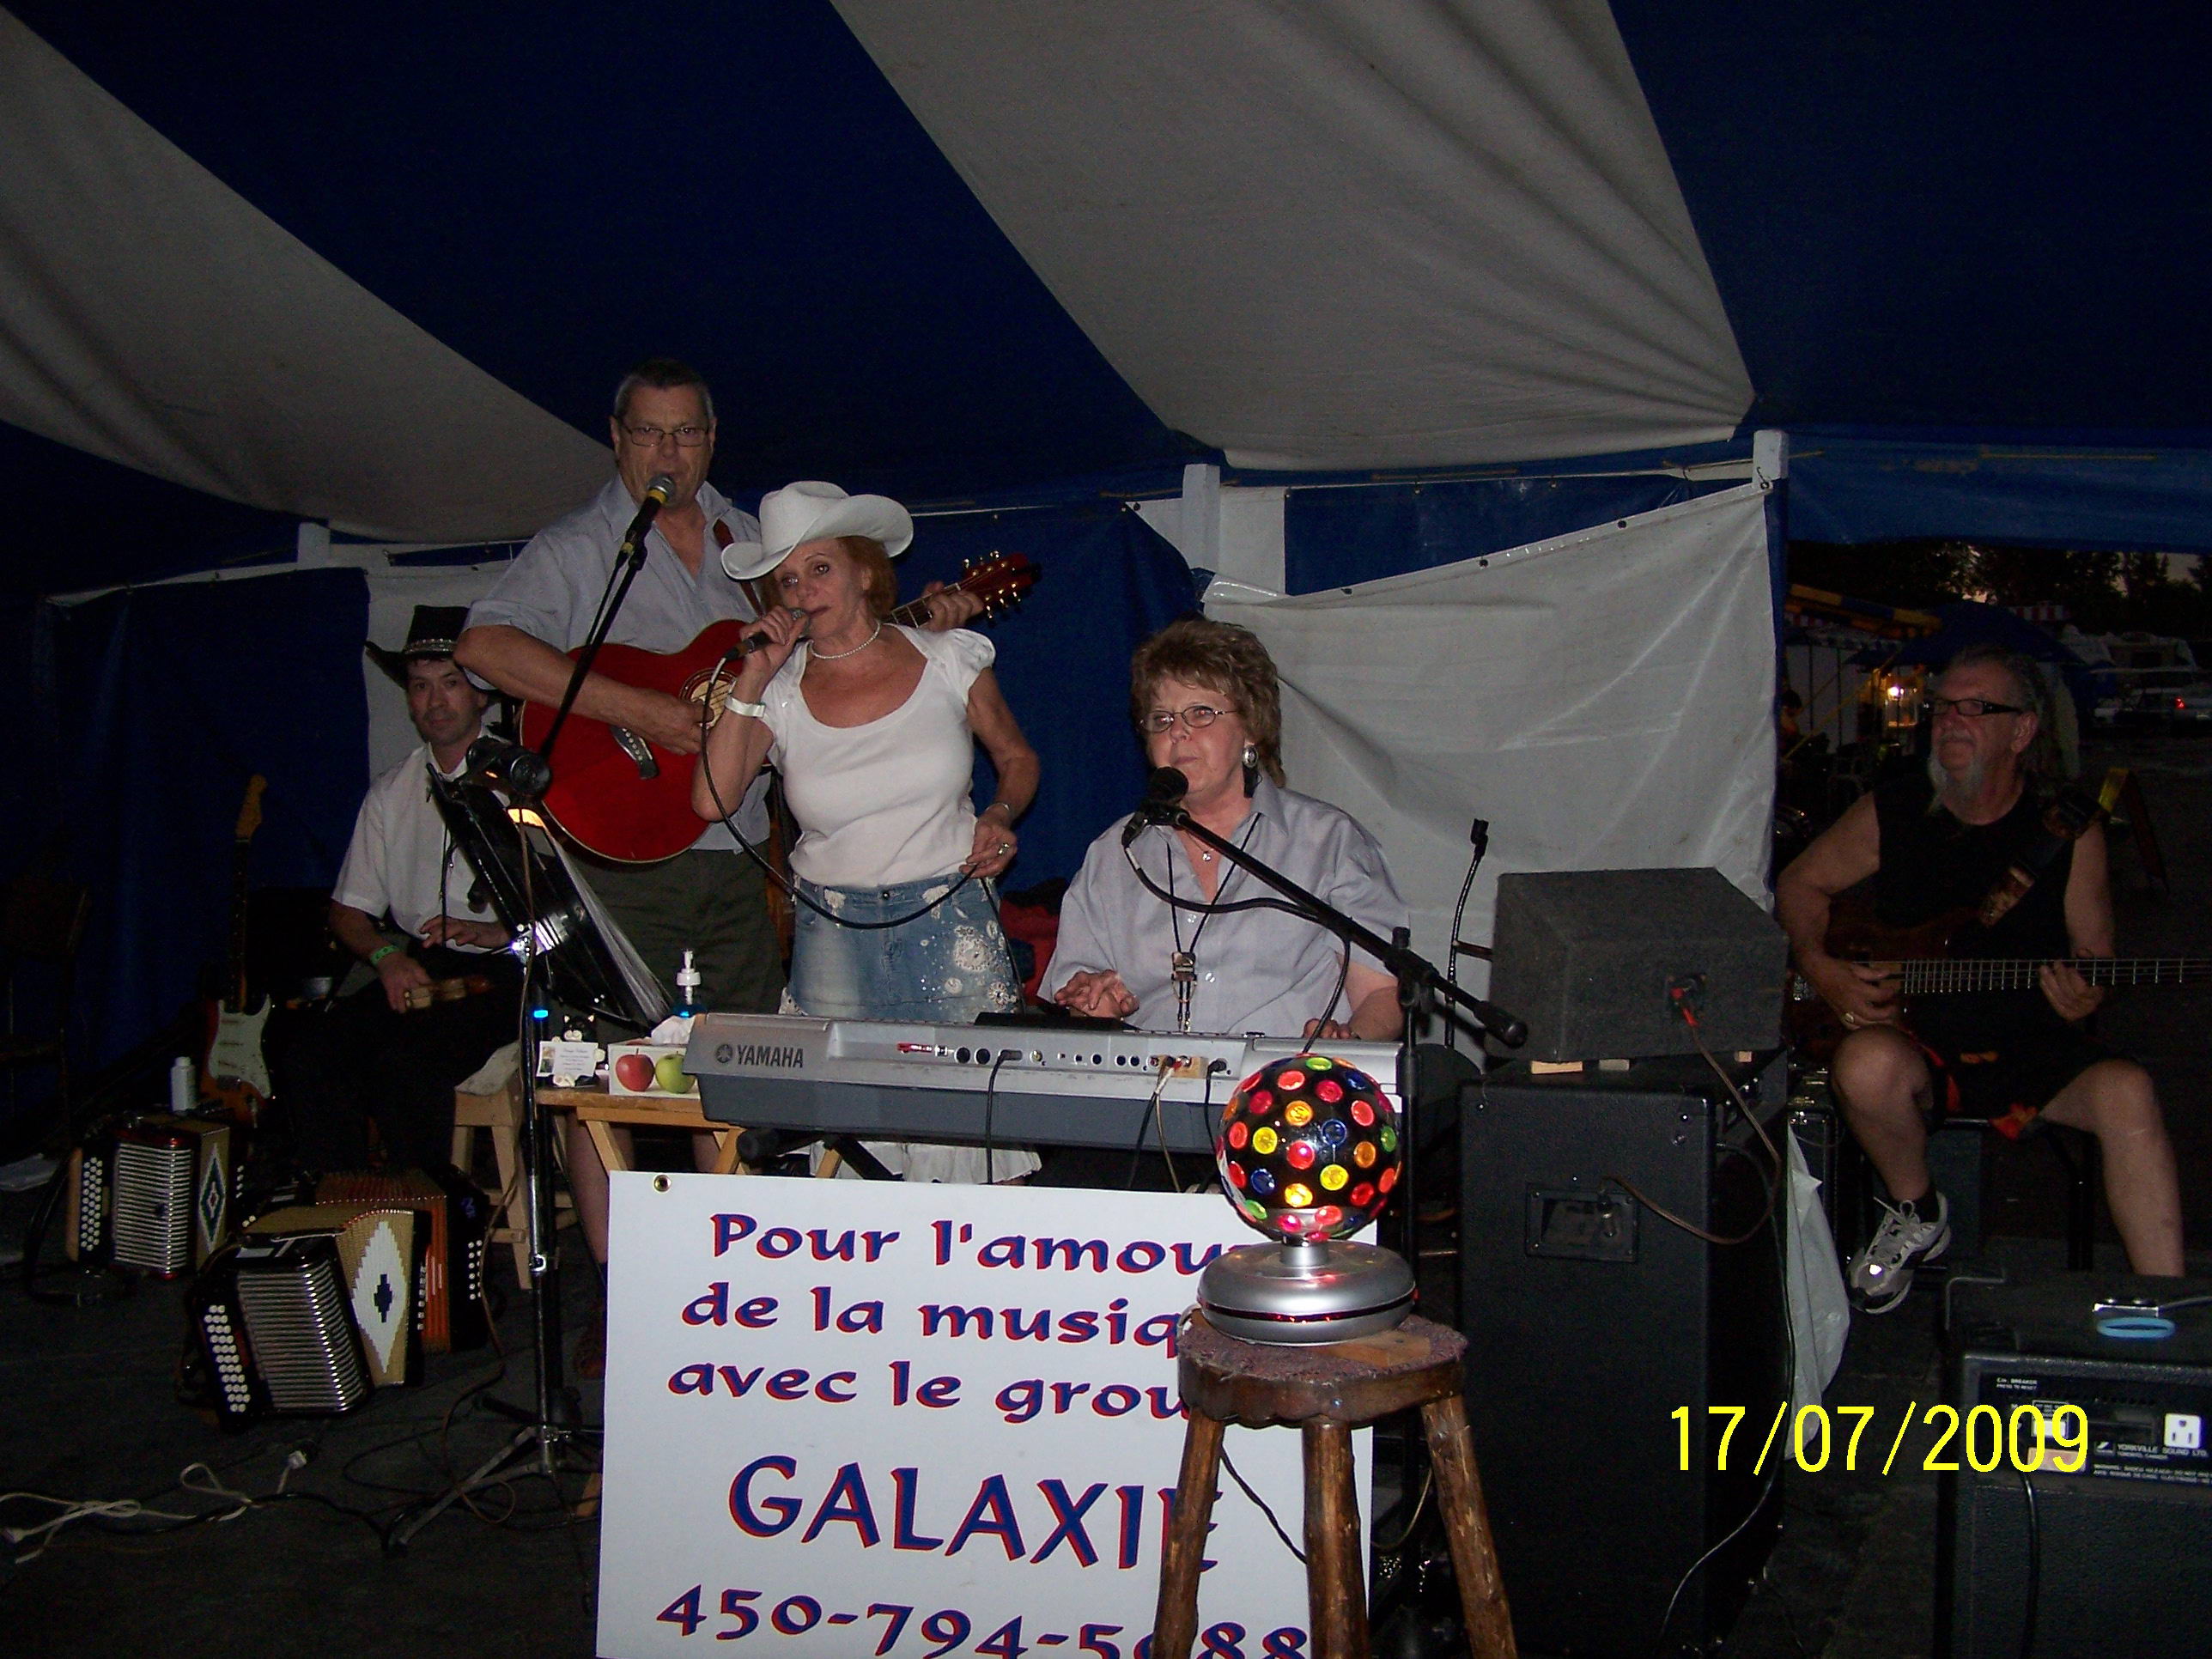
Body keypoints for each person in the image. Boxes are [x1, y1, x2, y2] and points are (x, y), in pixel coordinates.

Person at [1777, 643, 2184, 1311]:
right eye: (1942, 707)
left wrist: (2087, 992)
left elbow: (2095, 957)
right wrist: (1823, 970)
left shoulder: (2069, 831)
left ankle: (2167, 1313)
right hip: (1921, 1044)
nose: (1950, 721)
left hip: (2031, 1047)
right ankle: (1917, 1209)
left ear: (2022, 731)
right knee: (1864, 1065)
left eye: (1975, 708)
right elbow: (1799, 884)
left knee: (2129, 1091)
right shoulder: (1893, 809)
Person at [693, 482, 1039, 1182]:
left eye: (820, 568)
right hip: (833, 930)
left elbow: (1017, 758)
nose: (804, 590)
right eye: (788, 579)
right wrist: (753, 677)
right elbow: (712, 799)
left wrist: (1000, 814)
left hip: (949, 912)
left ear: (864, 572)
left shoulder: (947, 657)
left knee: (968, 1128)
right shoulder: (778, 693)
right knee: (844, 1140)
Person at [1049, 617, 1408, 1042]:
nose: (1177, 732)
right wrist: (1092, 1005)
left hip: (1284, 1078)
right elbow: (1078, 997)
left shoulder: (1327, 841)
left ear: (1251, 728)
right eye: (1161, 719)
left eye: (1200, 713)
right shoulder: (1117, 852)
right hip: (1151, 1081)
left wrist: (1343, 1050)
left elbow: (1381, 995)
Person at [287, 607, 519, 1173]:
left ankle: (428, 1210)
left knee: (404, 1064)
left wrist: (496, 931)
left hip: (509, 971)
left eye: (450, 683)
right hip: (418, 968)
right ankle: (349, 1209)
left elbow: (572, 915)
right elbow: (347, 912)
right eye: (420, 686)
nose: (435, 701)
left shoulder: (522, 781)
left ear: (481, 695)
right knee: (308, 1054)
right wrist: (386, 958)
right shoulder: (391, 791)